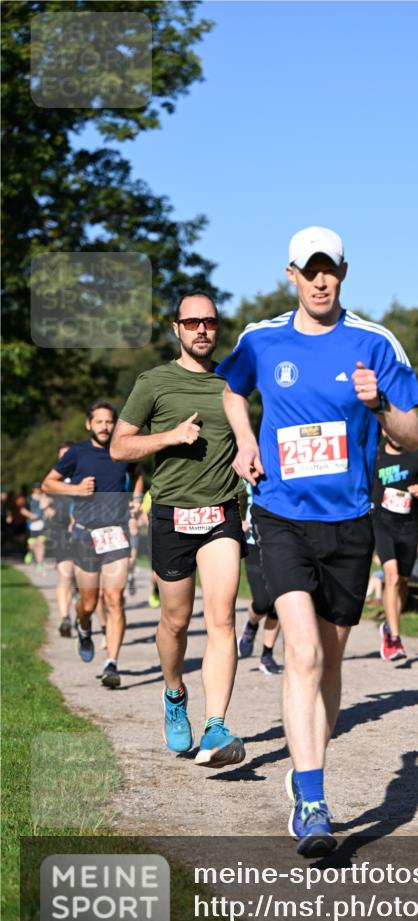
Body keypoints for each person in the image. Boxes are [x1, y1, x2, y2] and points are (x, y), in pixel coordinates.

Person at [218, 226, 418, 856]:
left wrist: (379, 402)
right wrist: (245, 441)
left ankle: (306, 769)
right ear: (291, 275)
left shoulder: (374, 341)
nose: (319, 280)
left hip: (350, 521)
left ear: (343, 271)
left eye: (328, 269)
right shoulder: (261, 339)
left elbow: (412, 435)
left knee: (330, 665)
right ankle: (313, 801)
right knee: (303, 655)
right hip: (280, 515)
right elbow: (231, 390)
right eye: (309, 271)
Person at [110, 290, 245, 768]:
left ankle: (217, 725)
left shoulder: (233, 382)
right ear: (176, 328)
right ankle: (173, 693)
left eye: (209, 321)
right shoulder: (154, 382)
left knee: (222, 617)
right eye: (192, 323)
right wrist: (170, 436)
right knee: (175, 621)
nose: (202, 330)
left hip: (222, 511)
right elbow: (119, 447)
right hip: (172, 514)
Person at [42, 402, 139, 688]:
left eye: (109, 422)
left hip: (116, 533)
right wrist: (76, 489)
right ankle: (83, 625)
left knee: (115, 598)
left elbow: (137, 475)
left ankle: (112, 664)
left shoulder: (124, 450)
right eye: (99, 422)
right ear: (89, 424)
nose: (105, 427)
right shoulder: (77, 453)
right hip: (85, 535)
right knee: (88, 602)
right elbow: (48, 483)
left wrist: (135, 500)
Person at [371, 437, 418, 660]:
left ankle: (389, 627)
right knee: (392, 576)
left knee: (403, 582)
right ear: (385, 431)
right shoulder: (375, 454)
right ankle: (394, 639)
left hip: (408, 527)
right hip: (381, 523)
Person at [238, 483, 283, 676]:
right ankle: (251, 624)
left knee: (279, 601)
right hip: (253, 541)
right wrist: (238, 519)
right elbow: (230, 493)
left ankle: (267, 654)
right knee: (263, 602)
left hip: (283, 541)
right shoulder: (247, 468)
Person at [47, 442, 76, 636]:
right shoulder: (54, 478)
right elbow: (46, 496)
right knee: (65, 574)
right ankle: (65, 617)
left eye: (68, 455)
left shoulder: (83, 476)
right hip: (62, 530)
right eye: (61, 456)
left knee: (80, 578)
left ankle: (83, 616)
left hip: (83, 529)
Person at [20, 483, 49, 573]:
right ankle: (30, 552)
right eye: (36, 488)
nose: (38, 490)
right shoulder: (28, 499)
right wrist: (31, 515)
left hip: (43, 524)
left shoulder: (44, 498)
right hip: (31, 525)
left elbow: (48, 508)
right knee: (32, 544)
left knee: (41, 543)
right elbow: (22, 510)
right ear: (33, 489)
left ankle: (40, 563)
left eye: (39, 488)